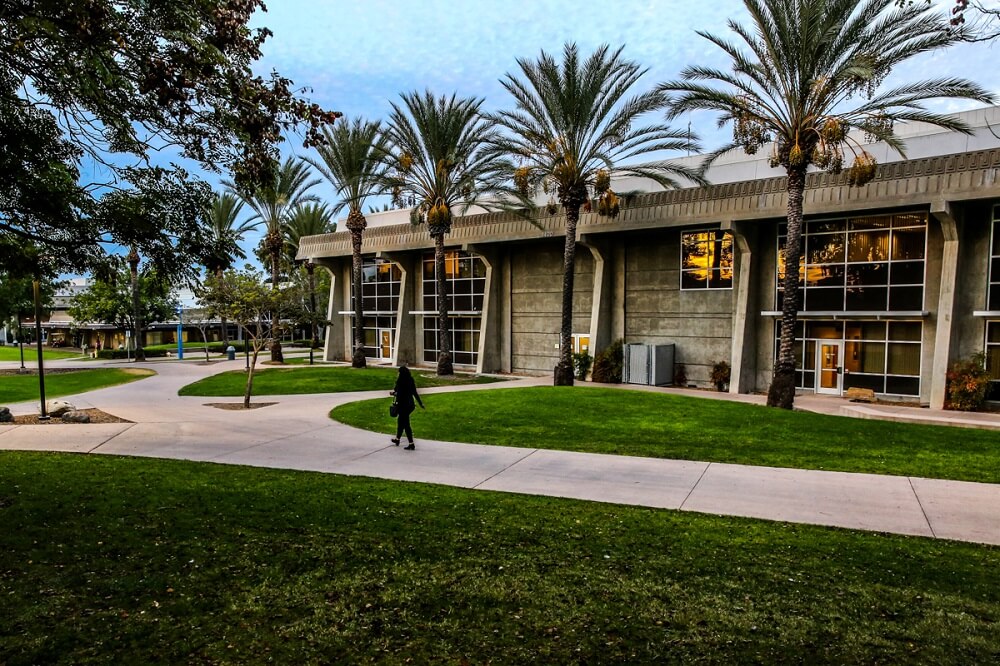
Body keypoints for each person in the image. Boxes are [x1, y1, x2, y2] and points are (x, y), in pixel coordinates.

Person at [390, 366, 424, 450]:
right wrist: (420, 403)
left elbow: (398, 393)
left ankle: (411, 443)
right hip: (410, 405)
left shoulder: (400, 381)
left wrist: (393, 394)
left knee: (405, 424)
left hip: (402, 405)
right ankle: (397, 439)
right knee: (401, 421)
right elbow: (414, 393)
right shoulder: (410, 380)